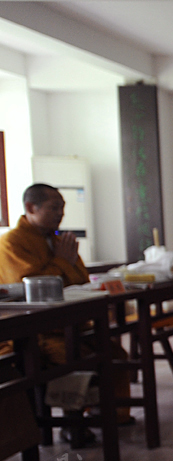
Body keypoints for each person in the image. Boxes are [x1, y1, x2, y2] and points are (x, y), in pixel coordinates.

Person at [0, 184, 132, 446]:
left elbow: (80, 279)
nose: (60, 213)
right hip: (37, 332)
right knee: (72, 359)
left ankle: (107, 413)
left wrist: (63, 262)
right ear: (30, 208)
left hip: (72, 324)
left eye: (62, 207)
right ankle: (73, 423)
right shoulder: (12, 242)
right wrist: (61, 262)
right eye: (54, 207)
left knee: (114, 353)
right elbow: (29, 285)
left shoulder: (60, 241)